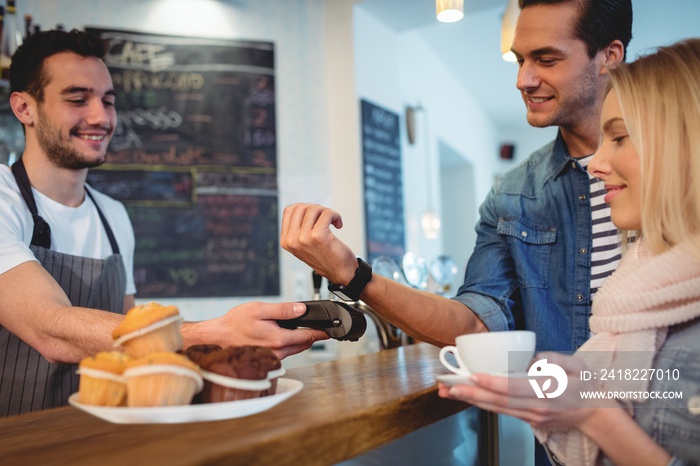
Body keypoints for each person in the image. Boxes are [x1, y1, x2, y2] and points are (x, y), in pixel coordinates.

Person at [0, 29, 327, 417]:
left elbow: (135, 349)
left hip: (105, 438)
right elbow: (49, 328)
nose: (100, 117)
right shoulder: (6, 198)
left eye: (108, 100)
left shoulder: (114, 216)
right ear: (24, 108)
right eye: (77, 99)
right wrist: (211, 334)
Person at [282, 0, 631, 359]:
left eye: (547, 59)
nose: (522, 80)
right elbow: (476, 325)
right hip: (566, 411)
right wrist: (351, 273)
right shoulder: (512, 195)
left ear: (609, 54)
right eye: (519, 60)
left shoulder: (680, 163)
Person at [439, 38, 700, 466]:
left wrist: (594, 413)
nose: (595, 165)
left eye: (619, 137)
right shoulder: (643, 284)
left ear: (683, 144)